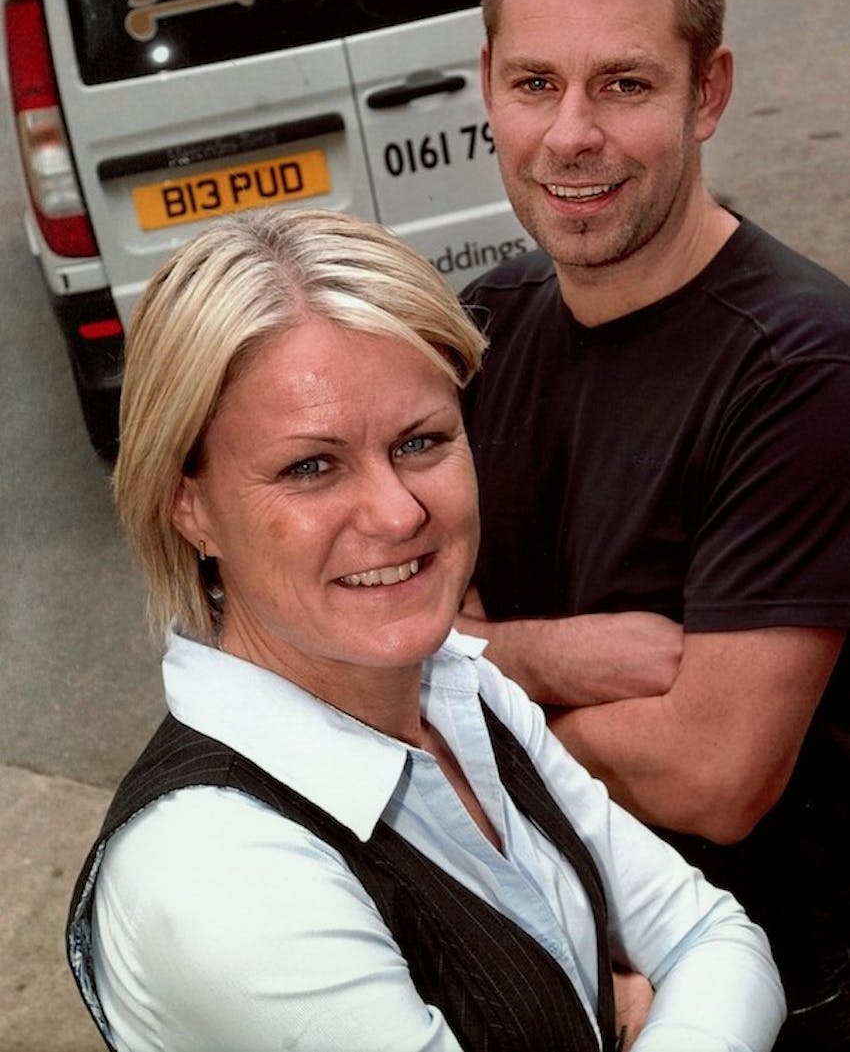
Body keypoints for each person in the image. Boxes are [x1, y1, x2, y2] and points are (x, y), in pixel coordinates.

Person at [65, 205, 784, 1052]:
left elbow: (718, 937)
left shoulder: (460, 688)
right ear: (191, 506)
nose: (397, 512)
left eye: (421, 441)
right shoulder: (218, 870)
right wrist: (621, 1010)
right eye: (310, 465)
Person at [457, 0, 850, 1052]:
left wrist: (466, 707)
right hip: (572, 977)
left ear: (707, 92)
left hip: (774, 992)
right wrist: (556, 654)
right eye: (535, 83)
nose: (570, 134)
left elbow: (714, 773)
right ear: (489, 87)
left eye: (624, 84)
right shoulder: (484, 322)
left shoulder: (803, 365)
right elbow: (387, 637)